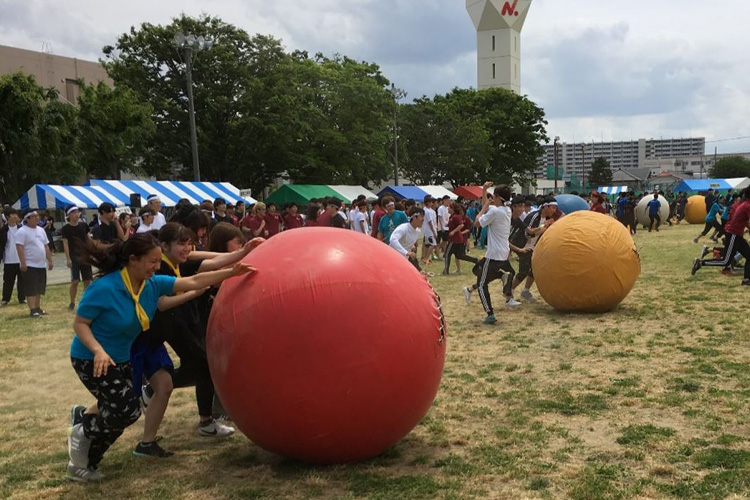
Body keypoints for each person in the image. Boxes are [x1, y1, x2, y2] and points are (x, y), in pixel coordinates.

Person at [65, 233, 254, 481]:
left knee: (119, 411)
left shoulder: (151, 284)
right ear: (133, 260)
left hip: (121, 359)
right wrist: (98, 351)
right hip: (91, 359)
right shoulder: (105, 288)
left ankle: (84, 463)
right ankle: (81, 431)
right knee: (127, 411)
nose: (157, 266)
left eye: (158, 262)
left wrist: (231, 272)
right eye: (152, 261)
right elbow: (80, 324)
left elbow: (195, 279)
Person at [129, 224, 263, 458]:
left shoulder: (178, 262)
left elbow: (208, 264)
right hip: (163, 328)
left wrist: (243, 254)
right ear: (164, 246)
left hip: (177, 323)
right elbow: (163, 302)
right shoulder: (160, 270)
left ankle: (189, 421)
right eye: (182, 243)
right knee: (201, 366)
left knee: (196, 368)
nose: (187, 248)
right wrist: (198, 291)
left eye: (189, 243)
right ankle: (203, 420)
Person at [462, 183, 517, 325]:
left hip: (493, 253)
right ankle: (502, 276)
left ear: (497, 197)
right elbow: (489, 206)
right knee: (479, 271)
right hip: (503, 253)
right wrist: (485, 191)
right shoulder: (507, 210)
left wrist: (485, 206)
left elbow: (476, 223)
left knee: (481, 284)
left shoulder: (494, 212)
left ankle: (490, 314)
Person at [692, 187, 750, 285]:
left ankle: (746, 280)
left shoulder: (745, 204)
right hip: (733, 235)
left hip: (737, 235)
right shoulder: (747, 205)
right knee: (725, 261)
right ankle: (700, 263)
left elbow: (746, 222)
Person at [15, 210, 54, 318]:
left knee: (39, 288)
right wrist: (23, 262)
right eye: (34, 216)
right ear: (27, 219)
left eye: (37, 216)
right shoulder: (22, 231)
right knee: (31, 287)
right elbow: (19, 247)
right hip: (30, 264)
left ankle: (37, 307)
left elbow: (46, 246)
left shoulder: (41, 230)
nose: (37, 218)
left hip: (41, 264)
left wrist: (49, 260)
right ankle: (32, 309)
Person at [62, 206, 94, 312]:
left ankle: (85, 302)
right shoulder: (66, 229)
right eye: (74, 212)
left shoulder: (83, 226)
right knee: (75, 281)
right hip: (74, 256)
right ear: (69, 215)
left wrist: (92, 250)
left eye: (77, 212)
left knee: (87, 280)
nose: (77, 214)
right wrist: (68, 259)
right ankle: (72, 302)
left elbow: (88, 238)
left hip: (85, 255)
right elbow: (65, 243)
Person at [443, 203, 478, 275]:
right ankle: (476, 260)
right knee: (460, 255)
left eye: (449, 207)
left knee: (447, 254)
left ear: (453, 209)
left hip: (454, 239)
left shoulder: (455, 217)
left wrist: (453, 231)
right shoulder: (452, 217)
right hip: (457, 239)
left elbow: (461, 225)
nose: (448, 209)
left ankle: (446, 271)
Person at [0, 208, 25, 306]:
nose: (15, 216)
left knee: (22, 280)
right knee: (8, 281)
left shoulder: (22, 228)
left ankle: (22, 298)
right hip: (9, 259)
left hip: (21, 259)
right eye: (12, 214)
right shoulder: (3, 230)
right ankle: (6, 298)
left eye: (16, 214)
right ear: (7, 217)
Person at [421, 197, 439, 264]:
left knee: (427, 245)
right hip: (429, 231)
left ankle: (424, 258)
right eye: (431, 202)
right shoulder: (427, 211)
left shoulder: (427, 210)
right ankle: (426, 258)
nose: (432, 203)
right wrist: (434, 232)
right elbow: (430, 222)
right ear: (428, 203)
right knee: (432, 244)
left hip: (427, 231)